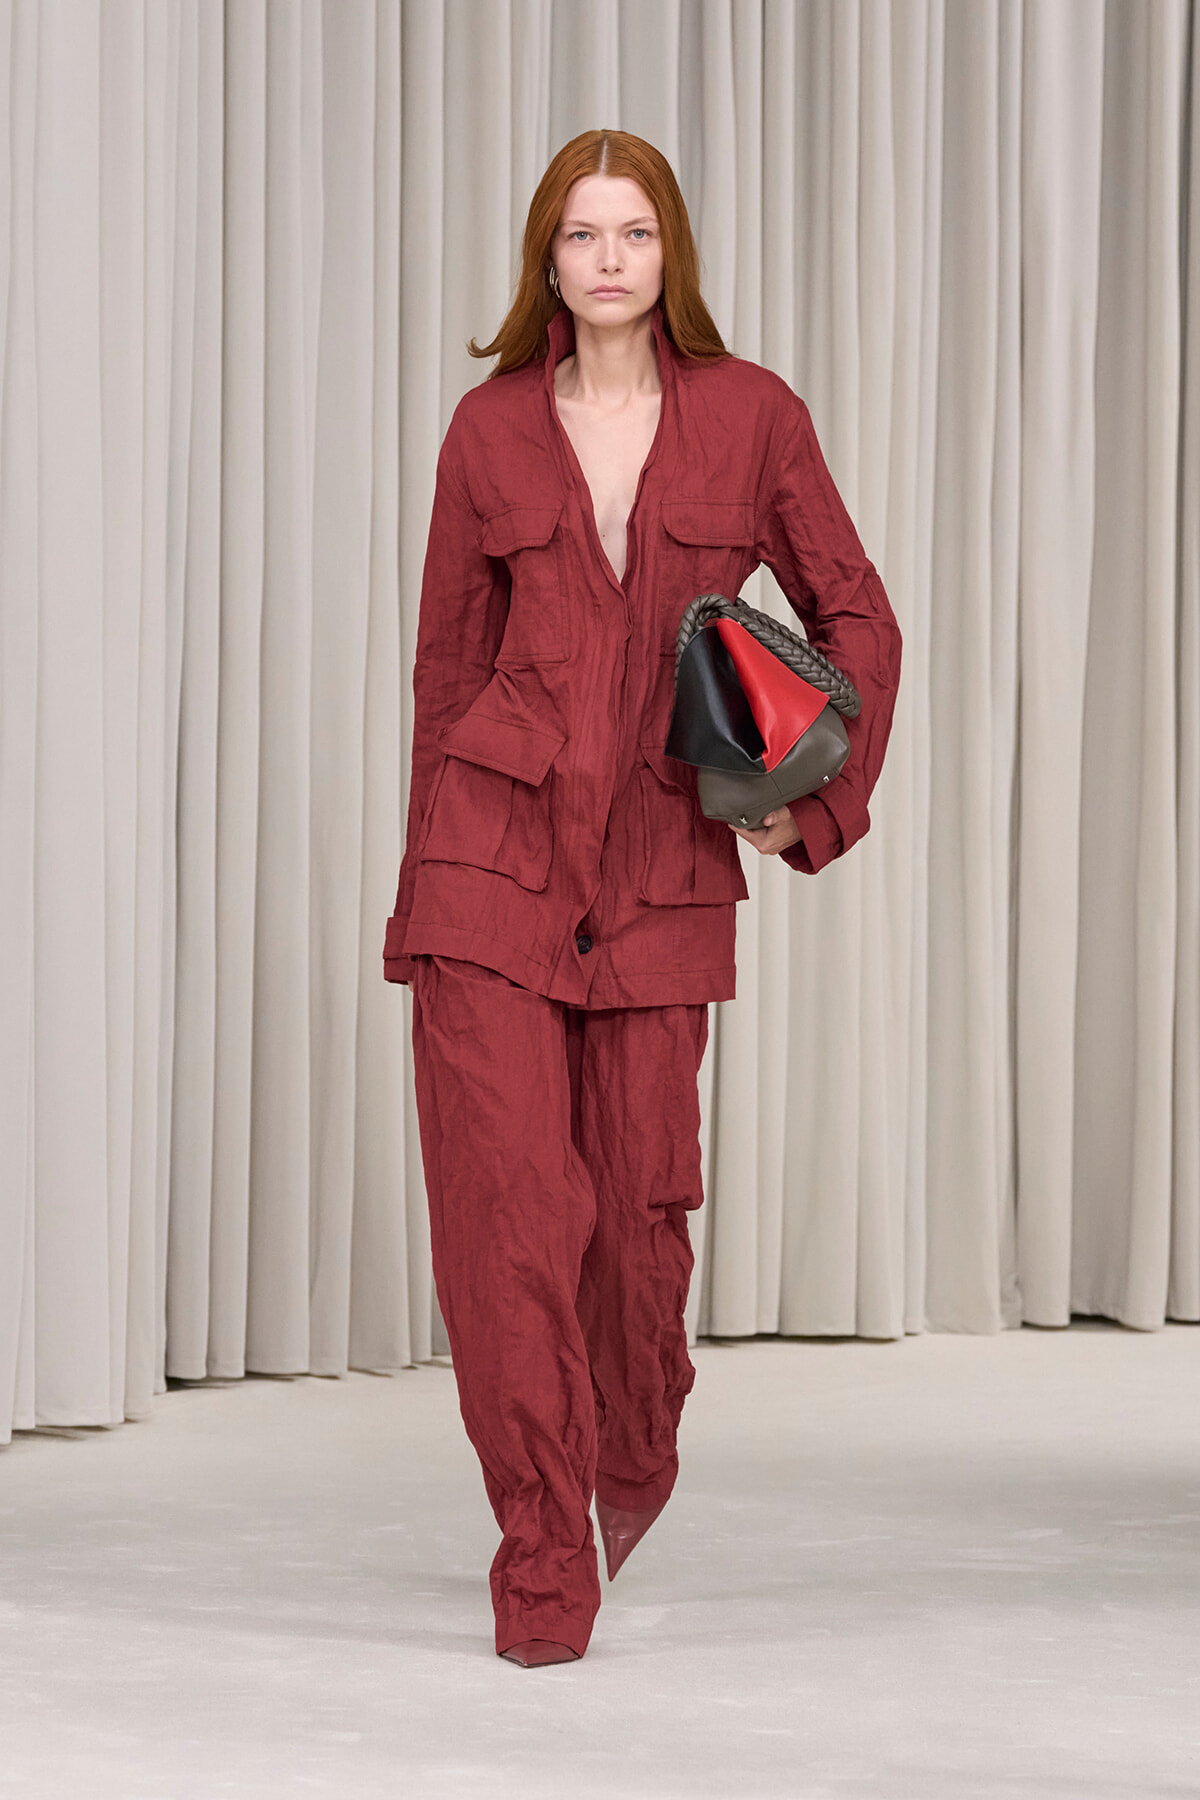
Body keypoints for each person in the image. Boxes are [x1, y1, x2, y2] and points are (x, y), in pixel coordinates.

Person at [383, 130, 901, 1668]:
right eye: (581, 234)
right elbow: (441, 669)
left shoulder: (753, 419)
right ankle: (542, 1551)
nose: (608, 258)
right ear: (545, 261)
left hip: (666, 875)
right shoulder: (484, 432)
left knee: (636, 1220)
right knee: (505, 1219)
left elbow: (853, 608)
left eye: (635, 233)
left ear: (670, 256)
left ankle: (628, 1453)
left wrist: (804, 800)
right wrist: (417, 891)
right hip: (490, 867)